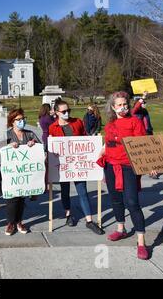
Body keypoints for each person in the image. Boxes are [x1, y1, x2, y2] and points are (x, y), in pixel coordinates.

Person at [99, 91, 155, 260]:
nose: (123, 107)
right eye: (119, 105)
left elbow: (143, 145)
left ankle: (141, 242)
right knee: (116, 199)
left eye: (125, 104)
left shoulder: (135, 122)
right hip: (110, 166)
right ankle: (120, 229)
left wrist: (150, 164)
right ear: (113, 107)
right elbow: (107, 144)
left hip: (128, 167)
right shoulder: (110, 124)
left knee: (132, 202)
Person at [48, 98, 104, 235]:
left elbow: (85, 138)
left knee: (82, 191)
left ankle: (89, 220)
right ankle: (68, 215)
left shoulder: (77, 122)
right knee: (65, 191)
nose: (67, 113)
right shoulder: (53, 127)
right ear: (56, 112)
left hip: (79, 164)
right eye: (64, 111)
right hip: (63, 166)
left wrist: (94, 141)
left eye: (68, 110)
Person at [0, 108, 41, 236]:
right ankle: (10, 223)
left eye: (23, 119)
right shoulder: (6, 135)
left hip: (25, 174)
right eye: (18, 119)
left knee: (21, 199)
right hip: (11, 174)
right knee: (12, 200)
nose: (21, 121)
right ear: (12, 121)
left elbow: (41, 149)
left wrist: (33, 143)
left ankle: (19, 221)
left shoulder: (30, 134)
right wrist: (8, 146)